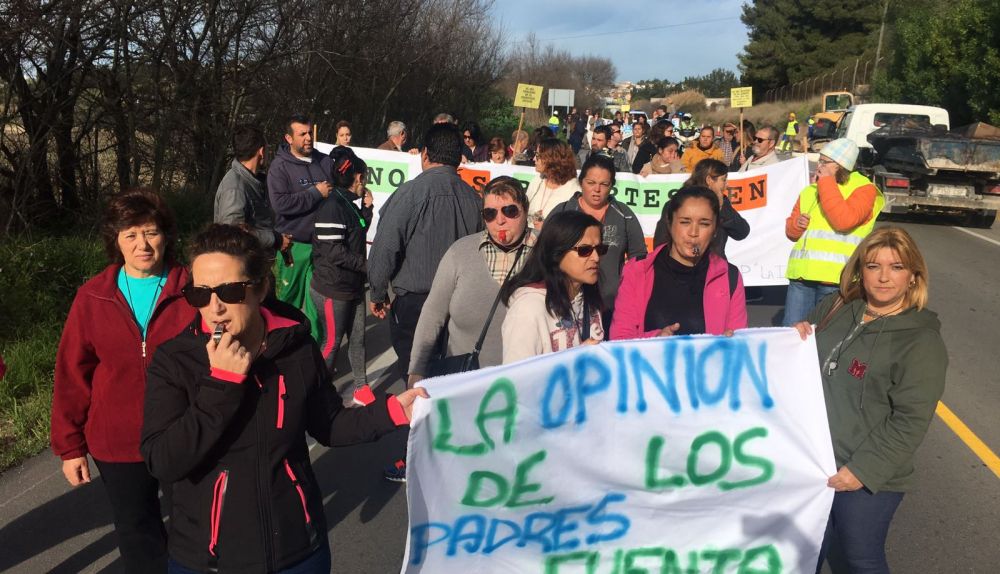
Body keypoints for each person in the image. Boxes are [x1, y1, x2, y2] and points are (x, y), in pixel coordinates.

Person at [139, 224, 426, 574]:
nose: (214, 308)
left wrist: (393, 411)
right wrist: (222, 386)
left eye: (230, 291)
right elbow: (163, 461)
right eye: (200, 294)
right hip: (208, 558)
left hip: (298, 550)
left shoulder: (295, 346)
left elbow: (329, 423)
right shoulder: (176, 360)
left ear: (261, 288)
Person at [52, 191, 196, 573]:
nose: (142, 244)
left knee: (196, 526)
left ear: (166, 235)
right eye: (130, 234)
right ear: (115, 240)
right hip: (116, 440)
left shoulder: (193, 290)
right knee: (137, 531)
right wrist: (70, 447)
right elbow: (71, 374)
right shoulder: (93, 297)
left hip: (184, 433)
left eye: (150, 232)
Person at [791, 227, 946, 574]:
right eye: (874, 266)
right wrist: (792, 337)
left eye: (896, 267)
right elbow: (796, 361)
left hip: (864, 474)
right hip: (814, 461)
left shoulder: (921, 342)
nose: (884, 277)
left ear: (913, 276)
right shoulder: (837, 306)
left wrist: (861, 471)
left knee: (860, 558)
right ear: (861, 270)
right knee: (805, 551)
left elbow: (910, 421)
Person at [368, 121, 483, 386]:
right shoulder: (474, 199)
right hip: (459, 303)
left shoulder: (409, 193)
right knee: (450, 378)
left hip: (415, 305)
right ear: (459, 159)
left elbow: (386, 245)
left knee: (416, 380)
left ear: (425, 154)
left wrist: (377, 292)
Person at [408, 176, 535, 383]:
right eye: (490, 214)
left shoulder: (548, 251)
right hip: (465, 384)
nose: (500, 221)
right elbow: (432, 314)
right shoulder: (460, 252)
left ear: (525, 210)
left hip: (527, 384)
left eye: (510, 211)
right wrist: (416, 370)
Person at [611, 186, 747, 340]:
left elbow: (740, 343)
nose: (693, 233)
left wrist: (731, 343)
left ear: (715, 230)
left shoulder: (729, 276)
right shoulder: (637, 270)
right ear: (669, 224)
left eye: (704, 224)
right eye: (685, 222)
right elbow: (620, 339)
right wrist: (655, 338)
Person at [783, 138, 884, 326]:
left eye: (824, 162)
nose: (819, 166)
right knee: (793, 335)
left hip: (836, 279)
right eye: (819, 160)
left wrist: (827, 182)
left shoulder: (864, 189)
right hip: (802, 277)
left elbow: (843, 222)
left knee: (826, 336)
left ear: (840, 165)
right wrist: (797, 224)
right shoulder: (810, 190)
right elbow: (791, 233)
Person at [310, 147, 374, 405]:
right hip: (332, 288)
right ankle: (317, 394)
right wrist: (367, 266)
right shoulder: (332, 206)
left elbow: (357, 232)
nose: (365, 183)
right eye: (365, 178)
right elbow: (334, 252)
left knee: (358, 339)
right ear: (358, 178)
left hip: (352, 285)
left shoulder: (348, 203)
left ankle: (361, 387)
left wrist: (368, 209)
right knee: (332, 343)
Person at [550, 154, 646, 326]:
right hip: (567, 306)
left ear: (611, 186)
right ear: (581, 182)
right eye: (591, 183)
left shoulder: (624, 214)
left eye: (604, 184)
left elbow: (638, 259)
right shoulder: (563, 212)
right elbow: (544, 254)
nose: (597, 189)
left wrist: (631, 296)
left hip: (611, 307)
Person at [500, 210, 605, 363]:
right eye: (585, 250)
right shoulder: (528, 309)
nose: (596, 258)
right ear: (557, 252)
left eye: (600, 249)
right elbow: (517, 374)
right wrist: (576, 359)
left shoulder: (590, 299)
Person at [267, 113, 333, 341]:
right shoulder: (279, 167)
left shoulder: (325, 162)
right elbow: (281, 204)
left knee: (318, 305)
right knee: (288, 303)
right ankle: (283, 348)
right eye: (302, 134)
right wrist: (315, 193)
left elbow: (344, 183)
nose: (308, 138)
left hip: (322, 246)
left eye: (309, 133)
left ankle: (315, 350)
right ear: (289, 138)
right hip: (293, 246)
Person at [214, 124, 290, 253]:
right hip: (241, 262)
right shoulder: (234, 188)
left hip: (257, 260)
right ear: (262, 151)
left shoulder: (257, 182)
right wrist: (274, 239)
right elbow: (232, 234)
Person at [654, 158, 749, 255]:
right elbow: (661, 243)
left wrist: (721, 208)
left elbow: (742, 232)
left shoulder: (722, 204)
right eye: (723, 180)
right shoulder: (676, 204)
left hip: (715, 263)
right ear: (709, 180)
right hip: (683, 263)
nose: (727, 184)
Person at [525, 138, 581, 230]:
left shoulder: (573, 190)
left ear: (552, 159)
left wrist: (548, 228)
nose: (534, 159)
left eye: (538, 156)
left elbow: (572, 228)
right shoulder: (537, 180)